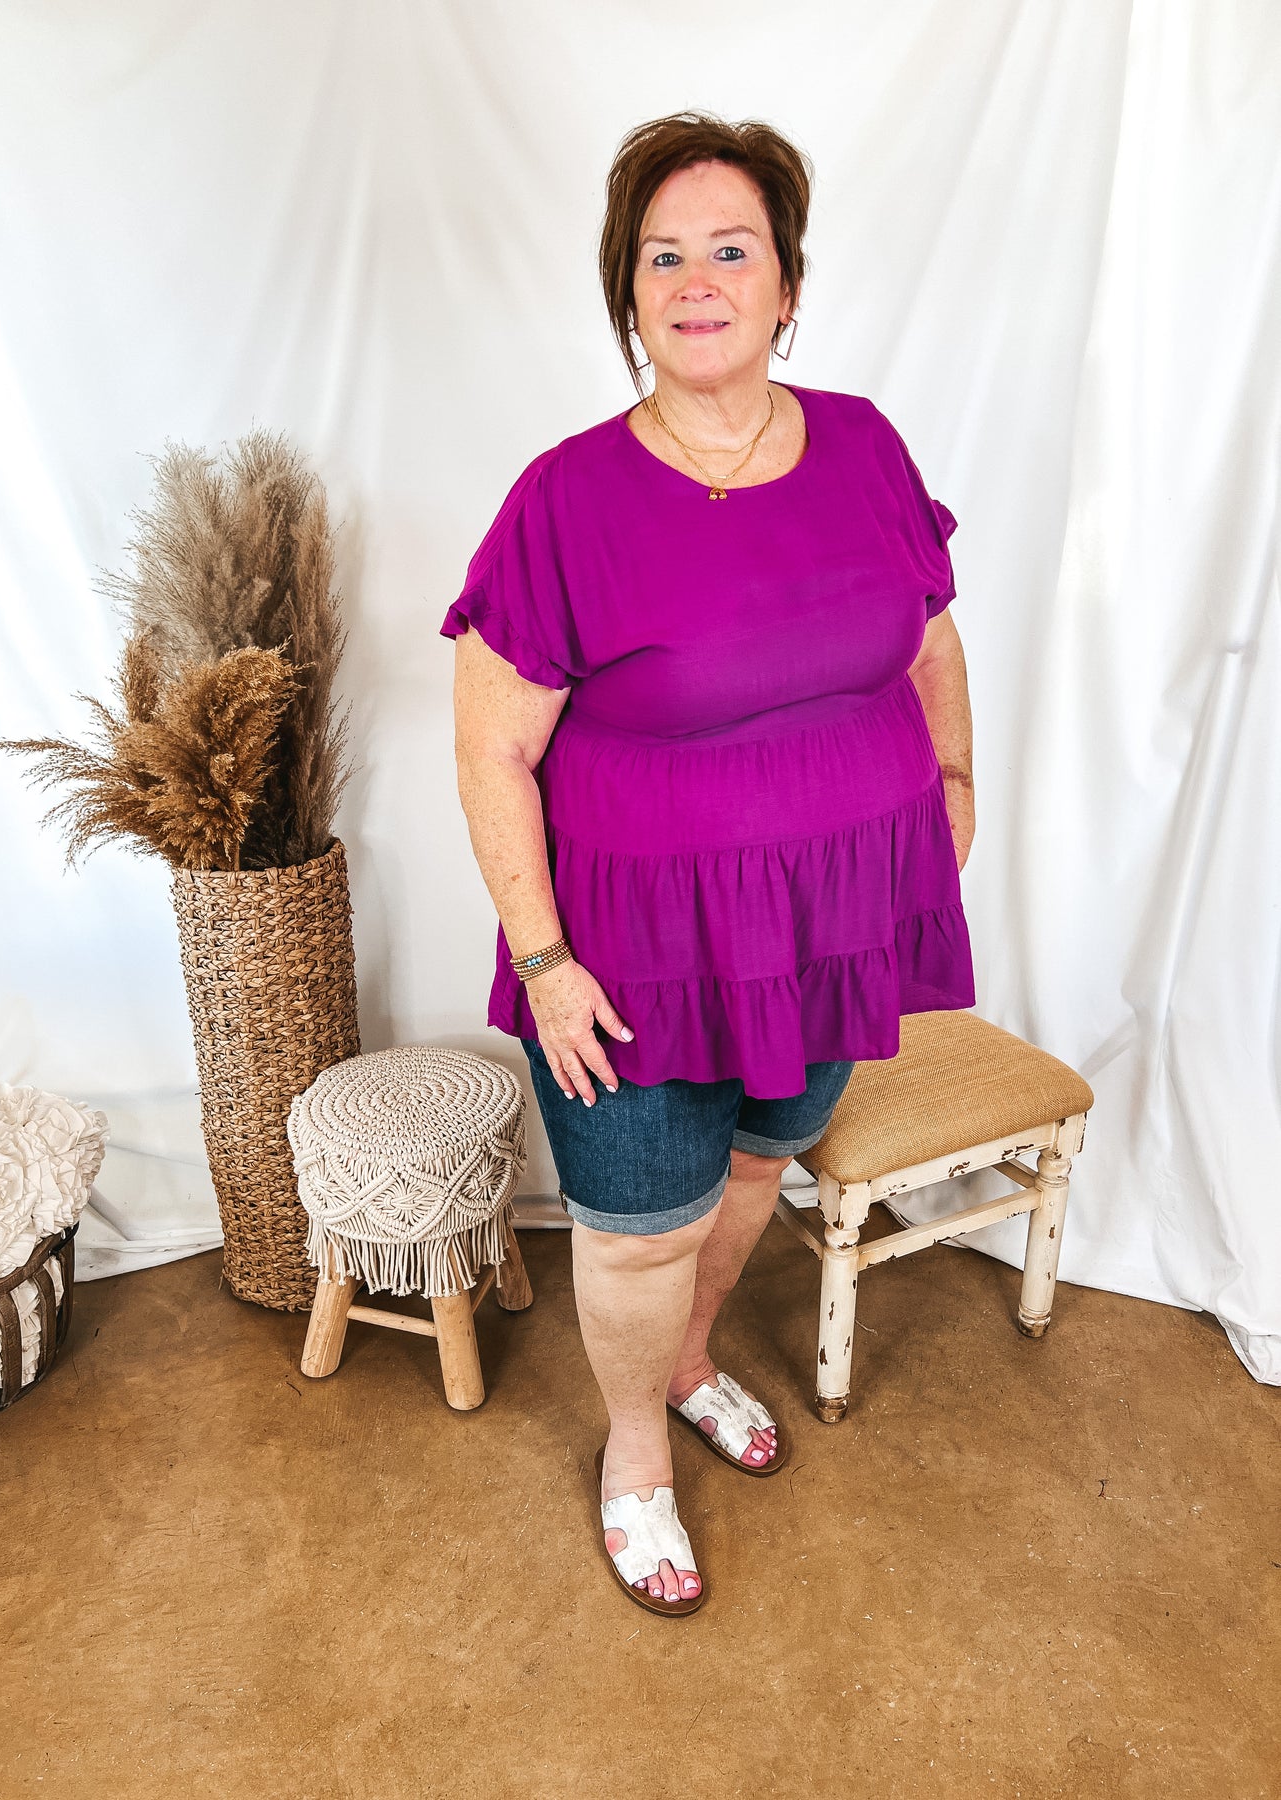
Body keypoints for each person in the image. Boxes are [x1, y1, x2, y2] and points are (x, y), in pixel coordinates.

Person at [439, 111, 976, 1616]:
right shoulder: (566, 499)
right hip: (632, 961)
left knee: (756, 1167)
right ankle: (632, 1452)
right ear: (628, 295)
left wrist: (952, 789)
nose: (696, 282)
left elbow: (929, 636)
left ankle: (688, 1363)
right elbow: (490, 753)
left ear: (786, 284)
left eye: (730, 250)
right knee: (638, 1229)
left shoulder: (865, 445)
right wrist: (545, 961)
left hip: (831, 930)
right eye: (661, 256)